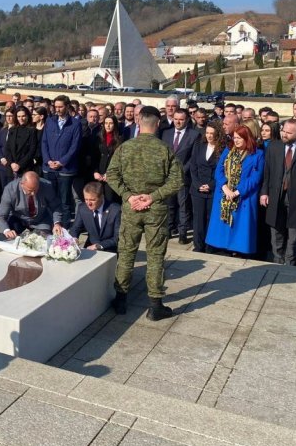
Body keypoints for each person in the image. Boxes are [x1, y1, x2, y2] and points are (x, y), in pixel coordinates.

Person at [105, 106, 182, 321]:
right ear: (157, 124)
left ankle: (121, 299)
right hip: (155, 210)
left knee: (127, 252)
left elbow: (111, 175)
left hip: (131, 208)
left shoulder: (125, 148)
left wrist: (128, 196)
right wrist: (153, 196)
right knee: (155, 255)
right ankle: (155, 305)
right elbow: (177, 181)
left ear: (139, 122)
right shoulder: (165, 149)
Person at [260, 119, 296, 265]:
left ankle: (290, 261)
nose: (284, 134)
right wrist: (264, 192)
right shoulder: (274, 146)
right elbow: (267, 172)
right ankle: (277, 259)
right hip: (275, 195)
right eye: (283, 131)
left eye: (289, 132)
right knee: (276, 229)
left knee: (294, 232)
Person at [205, 126, 265, 256]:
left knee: (240, 226)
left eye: (239, 138)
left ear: (246, 138)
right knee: (222, 227)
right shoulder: (228, 150)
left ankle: (238, 250)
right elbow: (219, 171)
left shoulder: (257, 154)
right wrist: (225, 187)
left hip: (244, 196)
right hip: (224, 194)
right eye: (234, 137)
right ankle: (222, 248)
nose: (236, 141)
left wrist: (237, 192)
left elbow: (255, 178)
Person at [160, 108, 199, 244]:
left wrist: (182, 171)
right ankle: (169, 229)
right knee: (169, 205)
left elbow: (193, 158)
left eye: (181, 119)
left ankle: (183, 233)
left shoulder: (194, 135)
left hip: (183, 176)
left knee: (183, 205)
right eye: (176, 119)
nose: (178, 122)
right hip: (168, 176)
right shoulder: (166, 133)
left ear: (187, 120)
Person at [42, 95, 81, 226]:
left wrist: (61, 162)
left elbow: (74, 146)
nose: (57, 109)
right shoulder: (50, 121)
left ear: (67, 106)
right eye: (56, 107)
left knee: (64, 199)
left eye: (60, 107)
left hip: (65, 169)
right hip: (49, 168)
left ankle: (64, 225)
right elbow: (44, 142)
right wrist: (48, 160)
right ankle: (50, 222)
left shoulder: (75, 124)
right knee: (49, 197)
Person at [189, 121, 226, 253]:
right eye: (207, 133)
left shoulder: (223, 149)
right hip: (197, 188)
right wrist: (198, 184)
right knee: (198, 219)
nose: (209, 136)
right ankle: (198, 246)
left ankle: (210, 246)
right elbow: (193, 166)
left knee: (210, 219)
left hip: (214, 189)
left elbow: (223, 171)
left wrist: (210, 185)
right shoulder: (199, 145)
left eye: (212, 133)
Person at [0, 170, 63, 239]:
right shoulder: (10, 189)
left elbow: (56, 206)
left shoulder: (47, 186)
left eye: (35, 189)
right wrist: (7, 230)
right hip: (19, 219)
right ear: (22, 184)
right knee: (12, 238)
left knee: (43, 240)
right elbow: (1, 216)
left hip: (41, 220)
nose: (33, 193)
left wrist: (57, 223)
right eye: (30, 190)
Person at [69, 182, 121, 252]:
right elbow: (75, 228)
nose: (89, 203)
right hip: (90, 245)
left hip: (110, 247)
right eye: (86, 199)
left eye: (92, 200)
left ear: (102, 197)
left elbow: (117, 238)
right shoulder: (83, 208)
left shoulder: (115, 210)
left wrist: (99, 245)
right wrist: (74, 238)